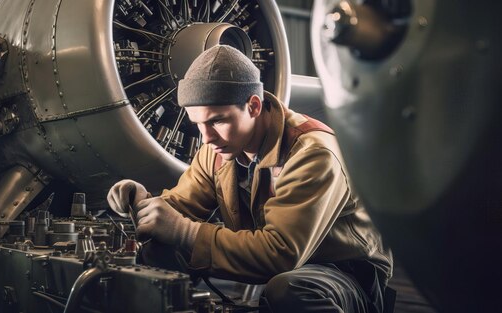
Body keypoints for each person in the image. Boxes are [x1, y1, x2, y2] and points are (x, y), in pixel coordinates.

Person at [107, 45, 393, 313]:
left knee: (289, 290)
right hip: (286, 265)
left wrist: (184, 232)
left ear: (254, 106)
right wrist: (144, 203)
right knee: (158, 252)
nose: (206, 137)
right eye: (198, 124)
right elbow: (179, 209)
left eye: (217, 121)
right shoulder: (218, 149)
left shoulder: (312, 154)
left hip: (344, 274)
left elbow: (279, 254)